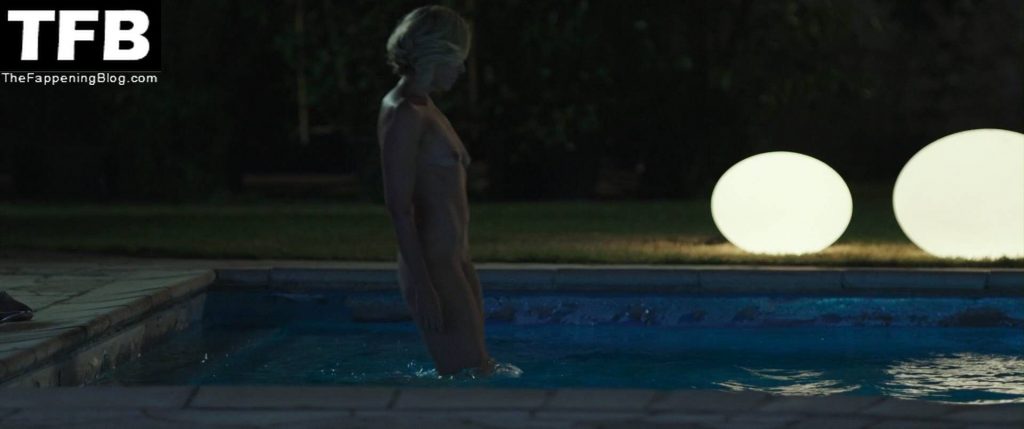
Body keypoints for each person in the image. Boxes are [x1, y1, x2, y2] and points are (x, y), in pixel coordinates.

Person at [377, 5, 496, 377]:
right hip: (433, 265)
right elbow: (399, 207)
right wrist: (423, 286)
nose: (461, 69)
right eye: (458, 58)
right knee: (468, 376)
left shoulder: (425, 105)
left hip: (455, 259)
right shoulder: (404, 114)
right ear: (437, 53)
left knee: (480, 372)